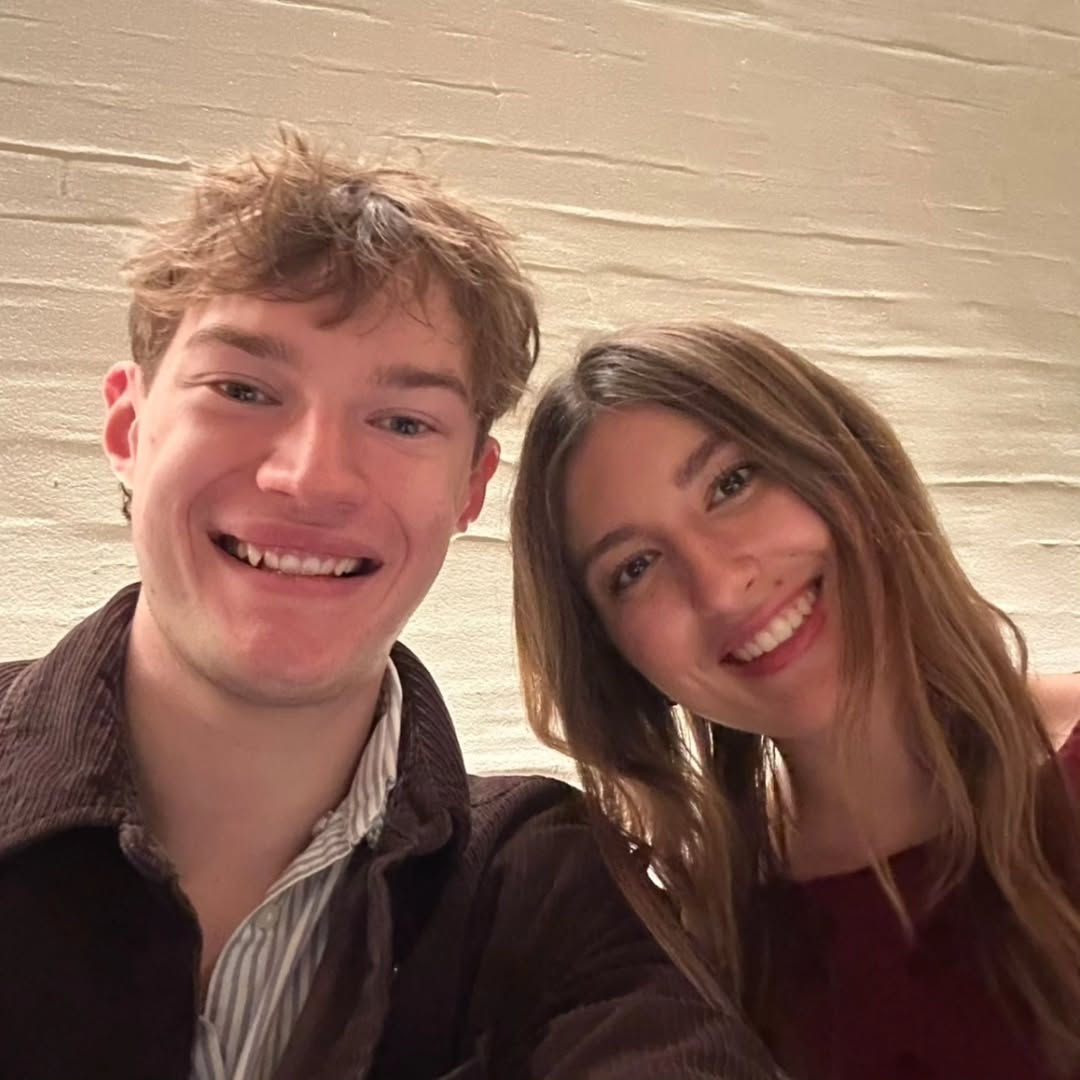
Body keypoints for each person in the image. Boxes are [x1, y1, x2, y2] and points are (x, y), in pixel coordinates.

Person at [0, 138, 785, 1080]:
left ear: (469, 487)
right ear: (130, 428)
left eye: (404, 422)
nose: (313, 478)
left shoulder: (545, 881)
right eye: (243, 390)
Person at [511, 319, 1080, 1080]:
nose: (720, 586)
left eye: (731, 484)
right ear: (616, 660)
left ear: (847, 464)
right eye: (636, 566)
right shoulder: (693, 945)